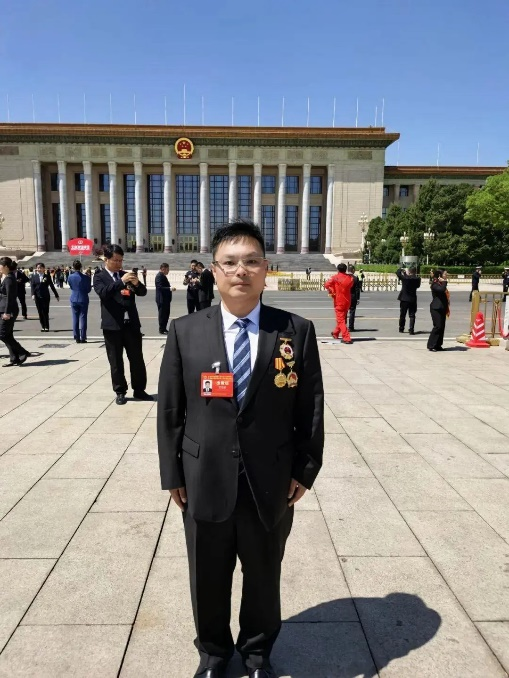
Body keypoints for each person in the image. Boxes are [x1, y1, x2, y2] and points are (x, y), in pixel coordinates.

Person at [158, 219, 324, 678]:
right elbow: (171, 409)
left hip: (270, 480)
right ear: (213, 271)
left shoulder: (295, 330)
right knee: (207, 575)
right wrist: (172, 474)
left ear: (266, 269)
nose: (241, 271)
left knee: (264, 575)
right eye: (229, 262)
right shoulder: (185, 331)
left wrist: (305, 469)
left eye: (251, 261)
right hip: (204, 478)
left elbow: (310, 405)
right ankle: (213, 654)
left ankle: (256, 655)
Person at [93, 245, 153, 405]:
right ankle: (120, 391)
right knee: (116, 361)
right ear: (106, 259)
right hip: (112, 326)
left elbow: (142, 292)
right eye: (116, 260)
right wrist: (121, 282)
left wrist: (137, 283)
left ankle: (139, 389)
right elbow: (104, 293)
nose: (119, 263)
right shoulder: (99, 276)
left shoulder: (125, 275)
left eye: (121, 260)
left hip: (131, 324)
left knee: (137, 359)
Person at [0, 257, 30, 367]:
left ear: (6, 267)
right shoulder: (6, 277)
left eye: (0, 265)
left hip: (8, 310)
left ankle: (22, 352)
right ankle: (14, 358)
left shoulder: (9, 279)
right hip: (4, 308)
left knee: (2, 334)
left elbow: (10, 297)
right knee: (8, 334)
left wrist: (7, 312)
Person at [324, 263, 354, 344]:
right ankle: (335, 333)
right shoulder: (350, 278)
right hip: (347, 301)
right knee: (342, 318)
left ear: (338, 269)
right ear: (345, 269)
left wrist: (332, 289)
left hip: (339, 301)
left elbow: (326, 285)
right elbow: (350, 286)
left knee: (340, 320)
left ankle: (346, 337)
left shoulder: (335, 278)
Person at [68, 259, 92, 343]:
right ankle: (83, 337)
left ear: (73, 267)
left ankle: (76, 336)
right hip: (83, 298)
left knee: (75, 317)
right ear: (81, 267)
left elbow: (71, 286)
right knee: (83, 317)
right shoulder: (86, 277)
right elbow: (88, 289)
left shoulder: (70, 277)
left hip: (74, 297)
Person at [31, 262, 60, 331]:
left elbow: (52, 286)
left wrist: (56, 295)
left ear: (44, 268)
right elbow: (32, 286)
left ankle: (46, 326)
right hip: (37, 297)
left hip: (45, 296)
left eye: (40, 268)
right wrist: (33, 294)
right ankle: (42, 326)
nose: (39, 269)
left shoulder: (47, 276)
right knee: (40, 312)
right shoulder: (34, 277)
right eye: (38, 268)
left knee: (45, 311)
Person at [427, 269, 450, 352]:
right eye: (445, 274)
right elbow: (441, 290)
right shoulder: (435, 283)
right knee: (438, 326)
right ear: (440, 276)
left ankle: (438, 345)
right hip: (436, 308)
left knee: (442, 327)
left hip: (442, 307)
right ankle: (431, 345)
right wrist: (444, 282)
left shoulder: (441, 283)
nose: (446, 276)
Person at [396, 266, 421, 335]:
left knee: (402, 314)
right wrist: (406, 274)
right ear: (415, 272)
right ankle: (411, 329)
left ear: (409, 271)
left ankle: (401, 328)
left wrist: (402, 269)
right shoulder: (418, 279)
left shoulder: (405, 278)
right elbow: (417, 286)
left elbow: (398, 273)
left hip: (404, 298)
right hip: (412, 299)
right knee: (412, 315)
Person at [155, 263, 174, 334]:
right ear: (163, 269)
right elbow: (160, 287)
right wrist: (170, 289)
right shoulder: (159, 276)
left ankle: (164, 328)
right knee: (162, 315)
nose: (168, 271)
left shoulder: (162, 276)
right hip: (162, 299)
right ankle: (162, 329)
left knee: (166, 314)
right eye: (167, 270)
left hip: (165, 299)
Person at [347, 264, 361, 332]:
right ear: (353, 270)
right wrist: (358, 298)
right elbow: (357, 289)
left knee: (344, 313)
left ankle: (342, 327)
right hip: (353, 296)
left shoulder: (345, 277)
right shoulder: (355, 278)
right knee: (352, 312)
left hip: (345, 297)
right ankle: (351, 327)